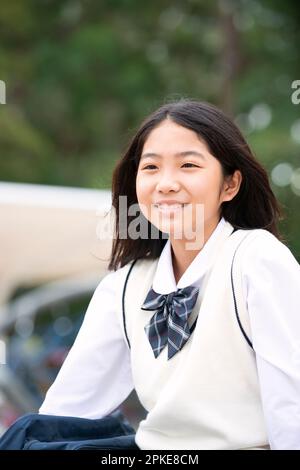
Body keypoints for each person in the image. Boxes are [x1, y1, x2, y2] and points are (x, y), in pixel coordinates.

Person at [3, 99, 300, 450]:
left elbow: (291, 406)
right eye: (151, 167)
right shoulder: (125, 285)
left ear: (230, 185)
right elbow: (65, 412)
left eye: (188, 165)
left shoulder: (256, 260)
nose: (166, 183)